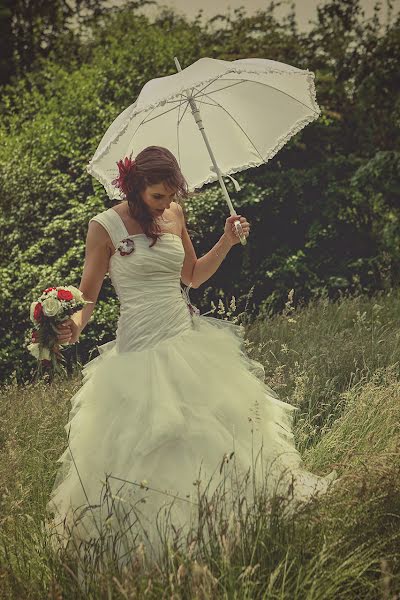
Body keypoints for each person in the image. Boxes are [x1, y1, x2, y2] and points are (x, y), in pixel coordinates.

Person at [45, 145, 338, 567]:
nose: (164, 204)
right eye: (157, 197)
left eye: (170, 195)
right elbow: (87, 298)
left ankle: (235, 531)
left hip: (186, 339)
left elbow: (192, 275)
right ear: (134, 187)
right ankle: (152, 550)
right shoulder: (104, 227)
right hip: (138, 350)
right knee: (145, 443)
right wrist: (73, 327)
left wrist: (227, 239)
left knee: (217, 431)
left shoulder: (175, 215)